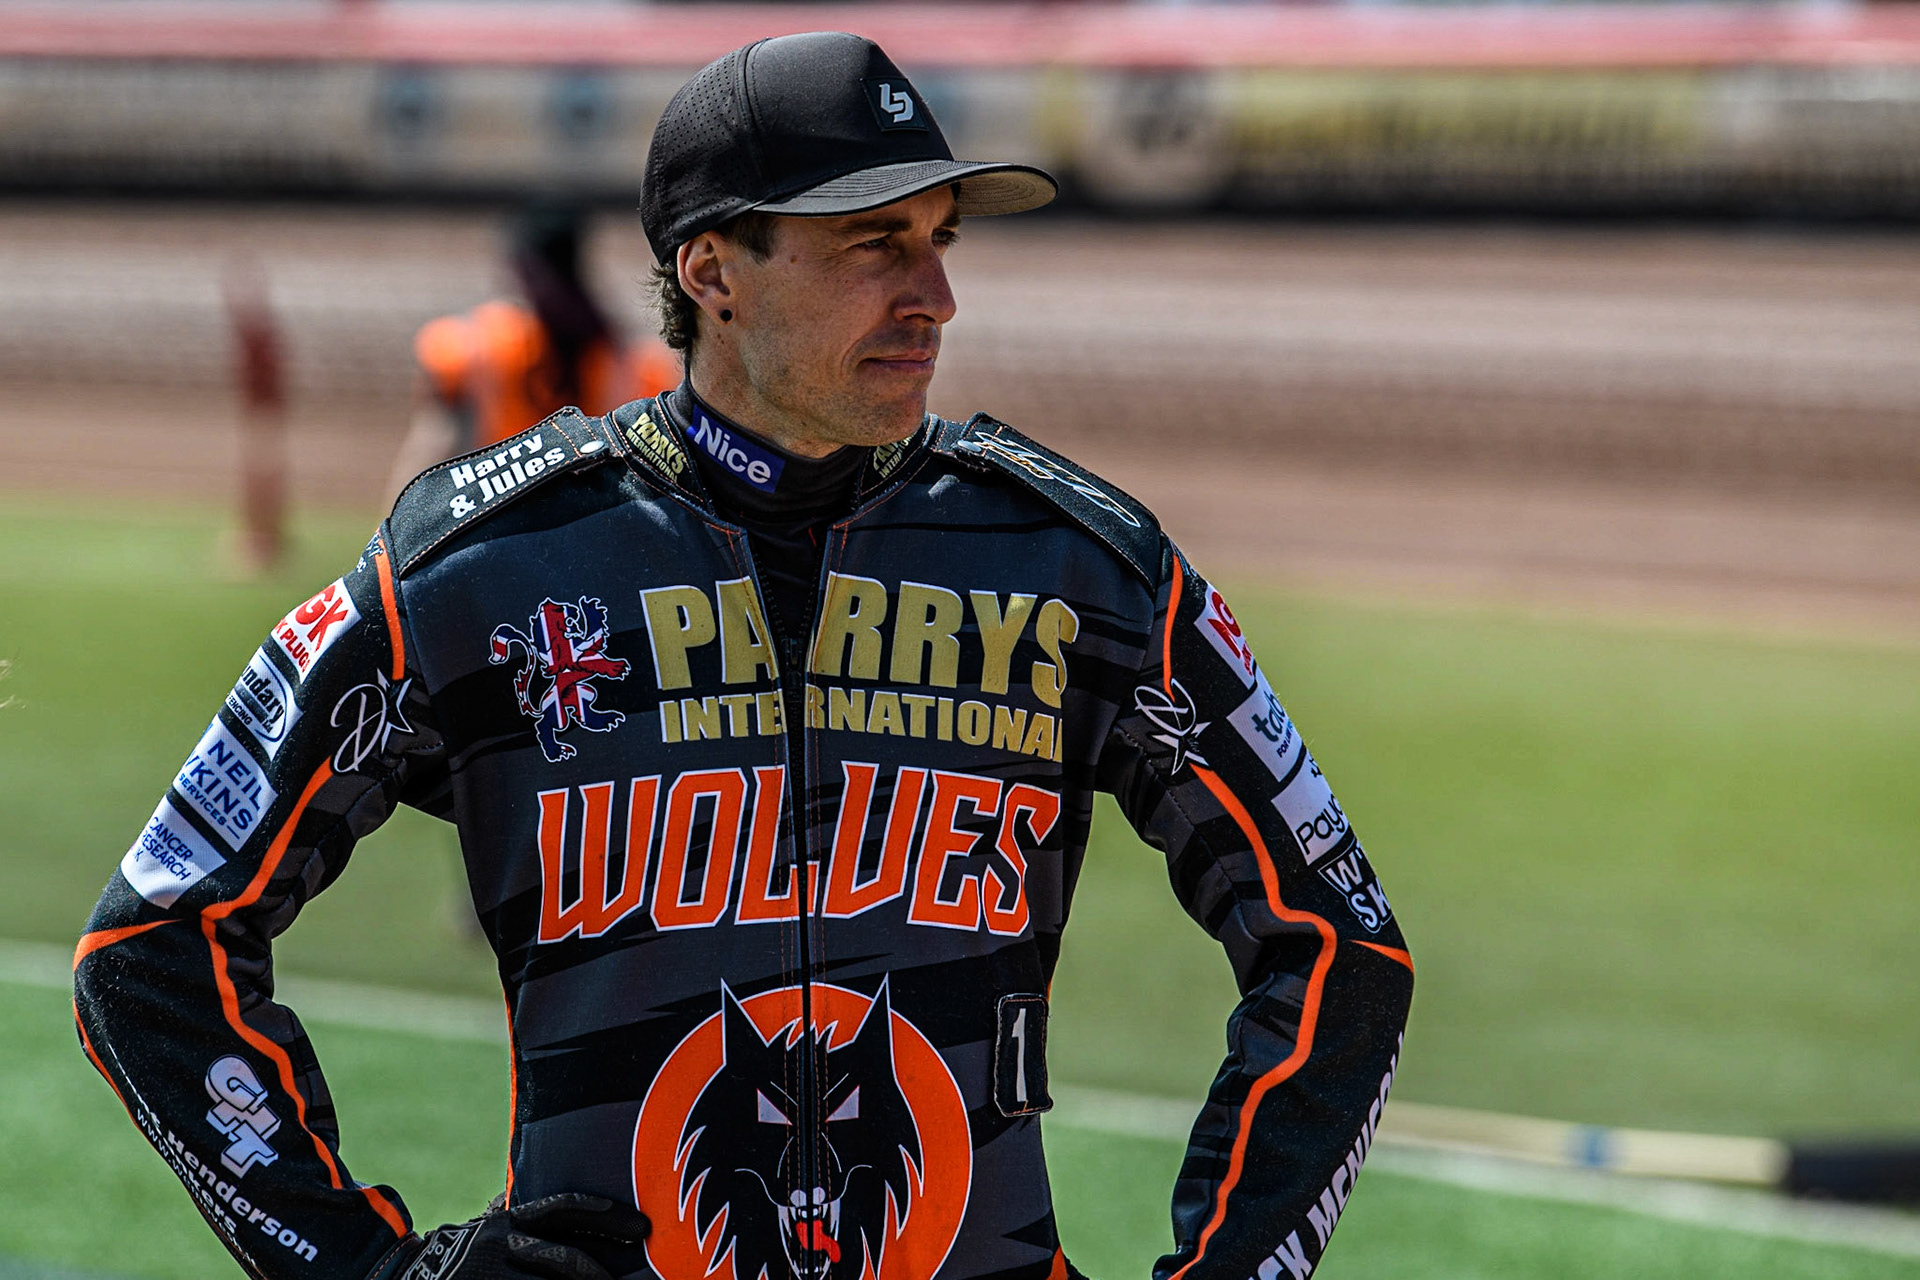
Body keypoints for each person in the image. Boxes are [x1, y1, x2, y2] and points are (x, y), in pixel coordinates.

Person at [74, 33, 1413, 1280]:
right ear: (712, 273)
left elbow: (1341, 943)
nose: (936, 297)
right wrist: (367, 1268)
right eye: (875, 244)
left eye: (940, 240)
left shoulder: (1079, 569)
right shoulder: (475, 569)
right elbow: (153, 942)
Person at [383, 203, 679, 505]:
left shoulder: (473, 344)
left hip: (499, 514)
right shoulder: (632, 361)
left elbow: (431, 450)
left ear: (521, 266)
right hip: (591, 517)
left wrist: (398, 525)